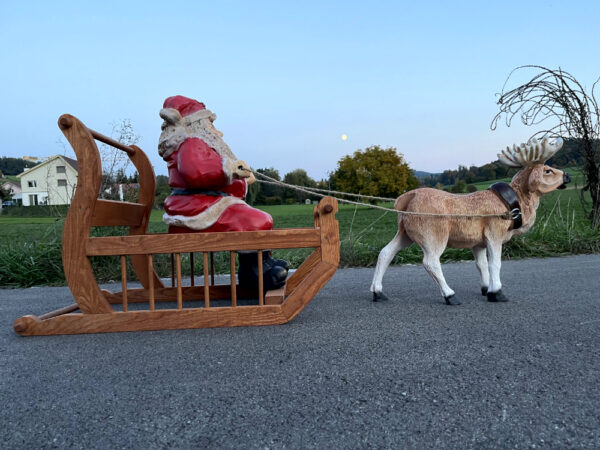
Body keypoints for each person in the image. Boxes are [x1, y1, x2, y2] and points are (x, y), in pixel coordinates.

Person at [158, 95, 288, 290]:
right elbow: (196, 172)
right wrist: (231, 169)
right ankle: (256, 272)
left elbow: (212, 175)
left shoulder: (199, 143)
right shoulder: (191, 143)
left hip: (206, 202)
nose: (214, 129)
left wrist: (241, 179)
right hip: (196, 207)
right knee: (255, 221)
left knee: (257, 218)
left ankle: (261, 264)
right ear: (198, 124)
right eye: (209, 123)